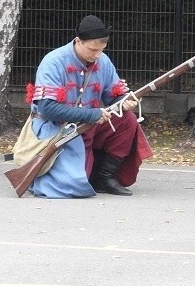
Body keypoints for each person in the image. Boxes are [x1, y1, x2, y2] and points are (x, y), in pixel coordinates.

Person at [19, 14, 153, 198]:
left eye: (101, 49)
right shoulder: (53, 62)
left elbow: (112, 95)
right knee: (72, 186)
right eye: (92, 50)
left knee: (126, 119)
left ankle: (104, 177)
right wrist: (91, 114)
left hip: (87, 125)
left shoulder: (102, 60)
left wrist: (124, 101)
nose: (97, 55)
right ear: (78, 41)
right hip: (56, 127)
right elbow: (47, 109)